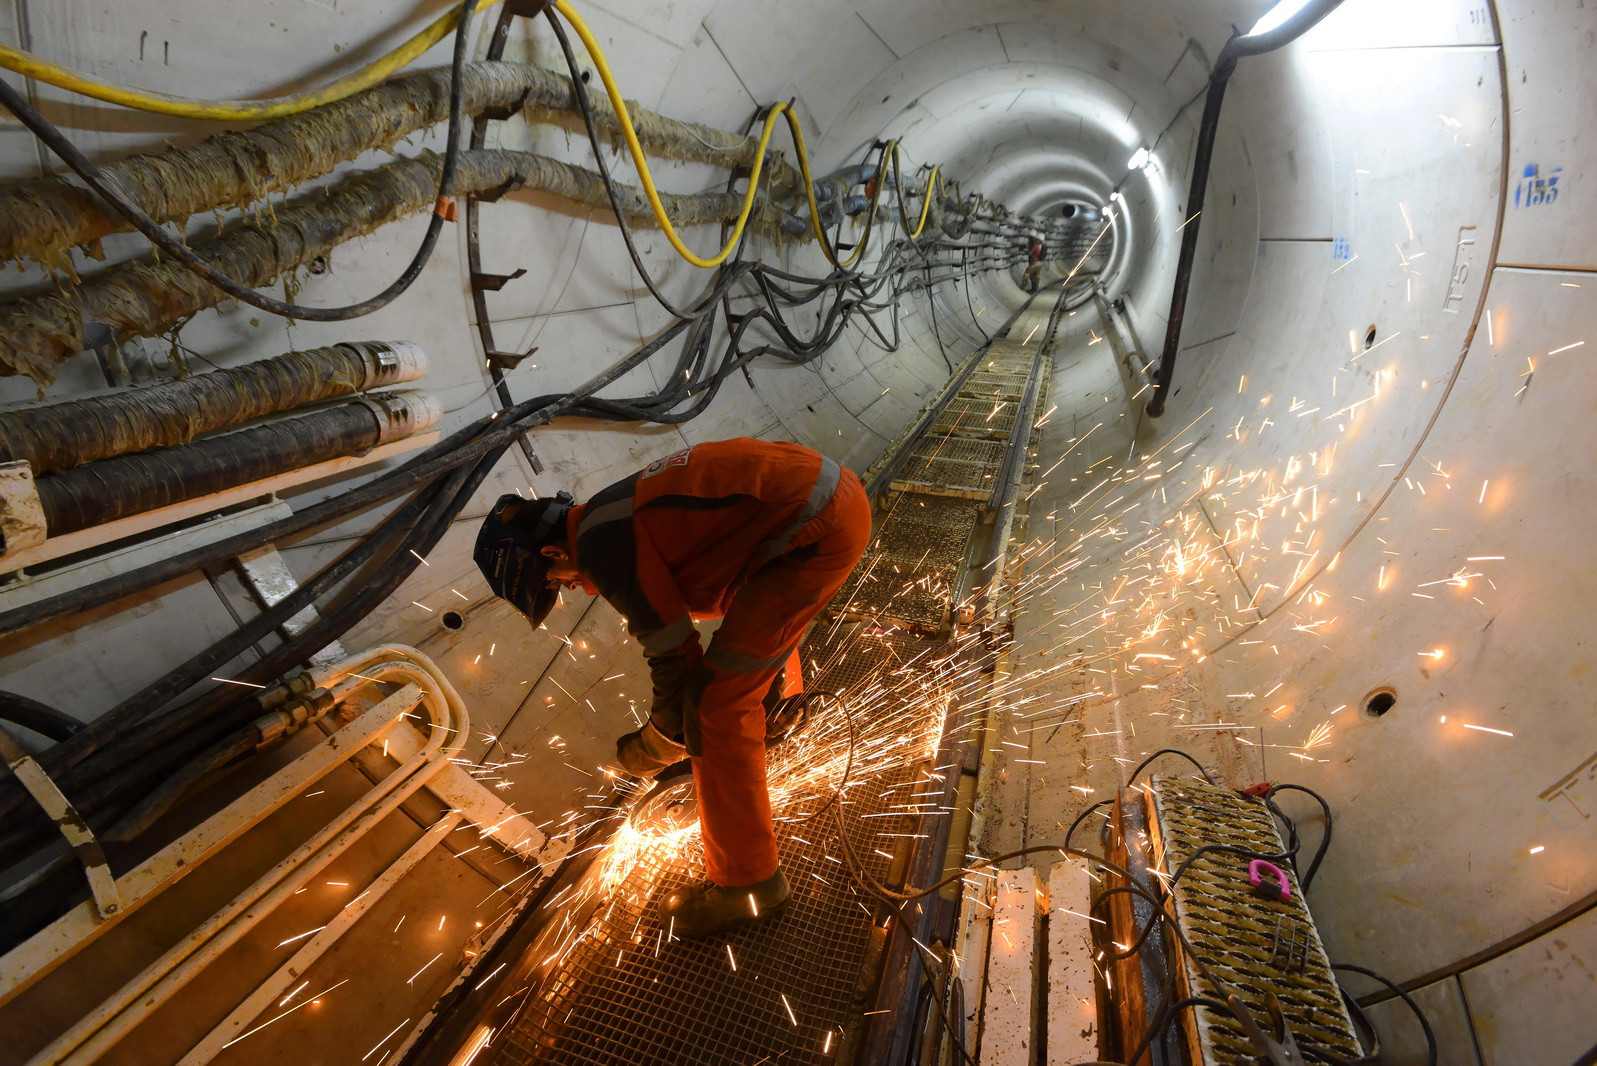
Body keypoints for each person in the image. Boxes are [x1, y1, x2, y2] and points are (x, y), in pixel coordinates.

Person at [474, 437, 871, 935]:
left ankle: (749, 885)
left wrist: (652, 746)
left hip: (814, 529)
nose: (569, 587)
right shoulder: (608, 515)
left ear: (552, 551)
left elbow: (674, 657)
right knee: (736, 659)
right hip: (824, 505)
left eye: (555, 580)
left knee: (715, 706)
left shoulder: (601, 546)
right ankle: (778, 709)